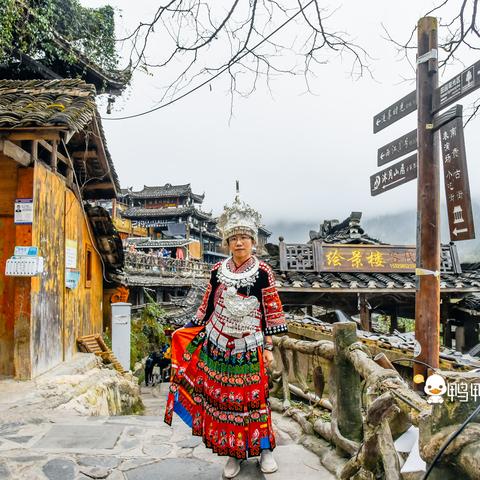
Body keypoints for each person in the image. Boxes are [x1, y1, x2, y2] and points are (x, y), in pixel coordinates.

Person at [164, 194, 287, 478]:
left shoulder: (263, 272)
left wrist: (269, 346)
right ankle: (233, 453)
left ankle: (264, 449)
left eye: (244, 237)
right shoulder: (218, 271)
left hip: (250, 346)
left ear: (253, 241)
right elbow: (206, 307)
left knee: (255, 401)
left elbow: (272, 312)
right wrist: (187, 329)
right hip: (218, 347)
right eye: (234, 238)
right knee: (225, 402)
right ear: (227, 243)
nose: (239, 243)